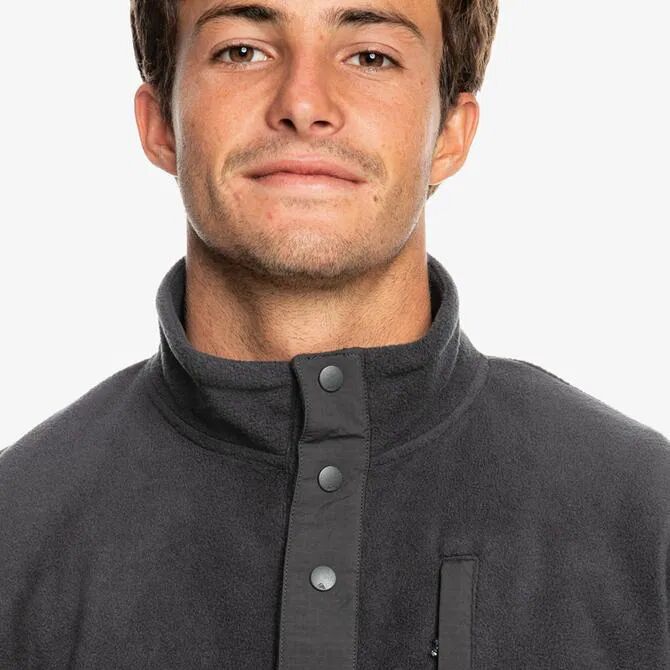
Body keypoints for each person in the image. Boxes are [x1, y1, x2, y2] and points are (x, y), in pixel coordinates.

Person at [1, 1, 668, 668]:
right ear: (159, 125)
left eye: (371, 56)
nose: (303, 103)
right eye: (242, 51)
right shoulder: (16, 534)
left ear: (450, 134)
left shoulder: (649, 517)